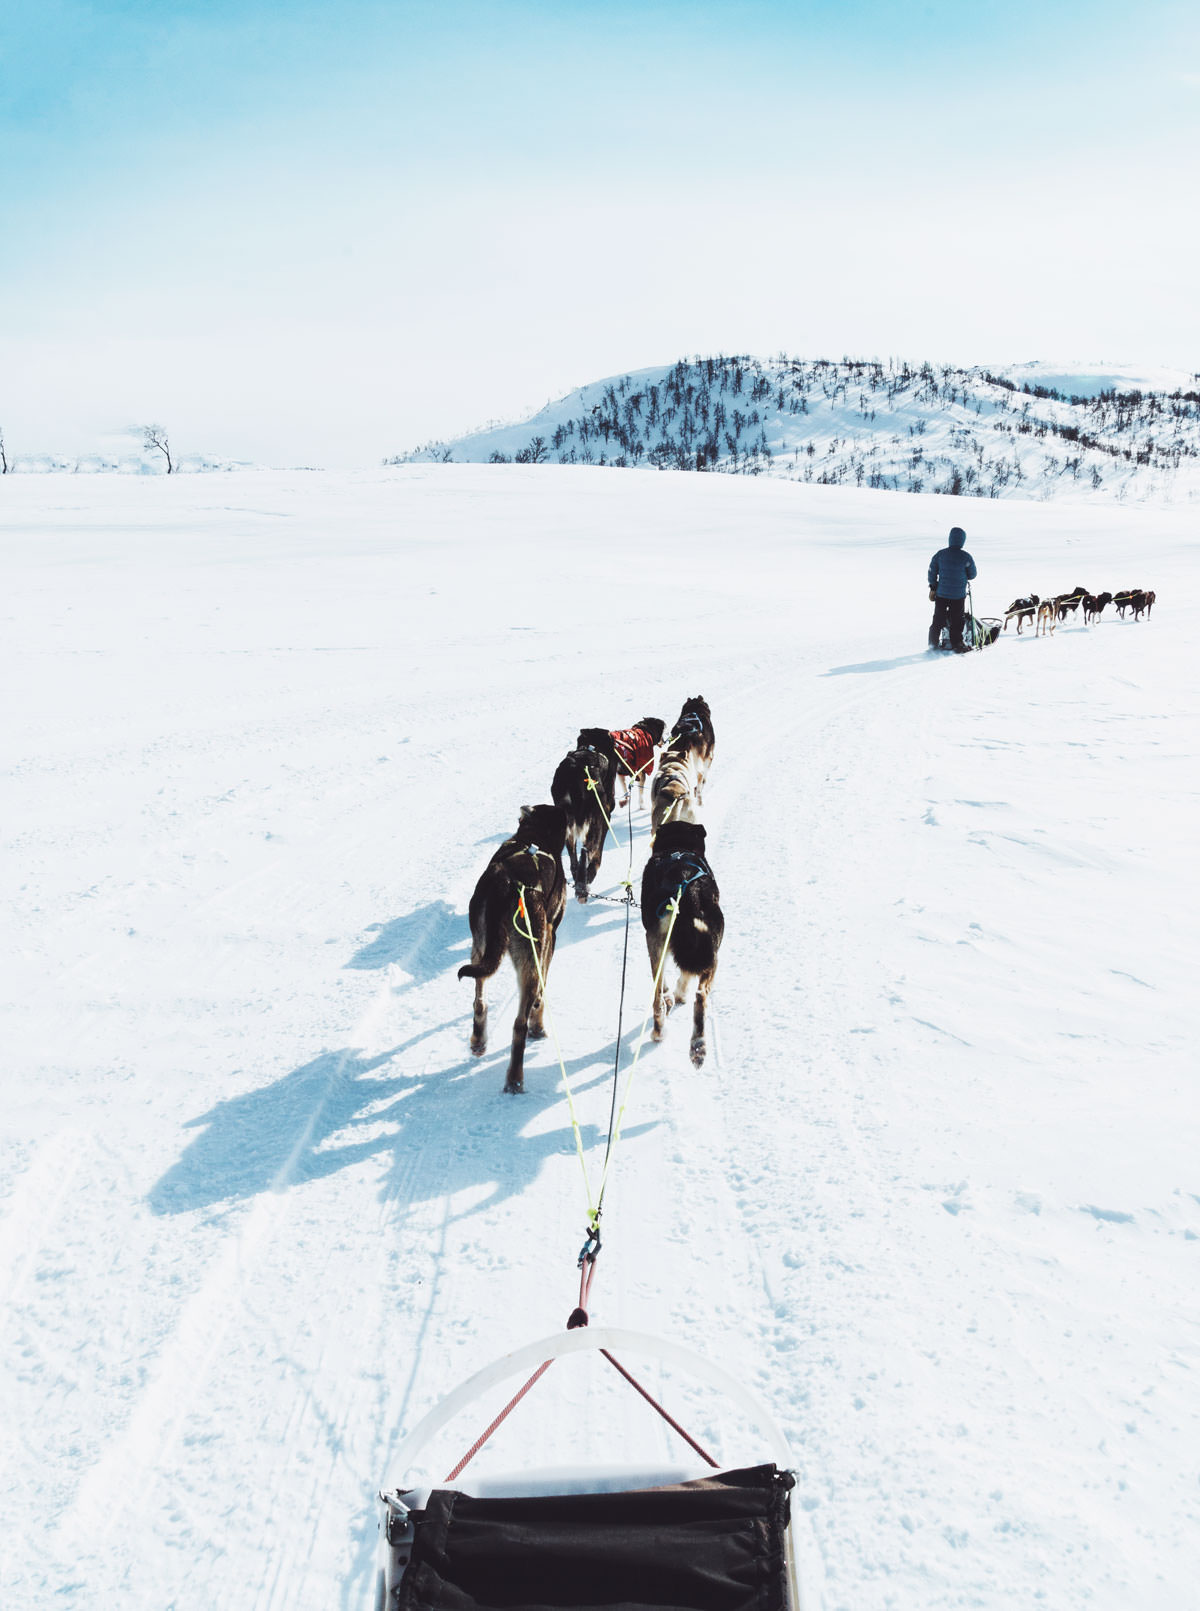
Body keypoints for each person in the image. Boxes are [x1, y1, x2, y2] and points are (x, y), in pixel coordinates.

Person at [927, 525, 977, 653]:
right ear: (962, 541)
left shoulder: (940, 554)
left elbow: (932, 570)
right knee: (957, 620)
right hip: (958, 595)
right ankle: (957, 643)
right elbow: (973, 574)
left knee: (938, 618)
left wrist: (933, 586)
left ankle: (933, 642)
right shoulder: (966, 557)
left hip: (941, 594)